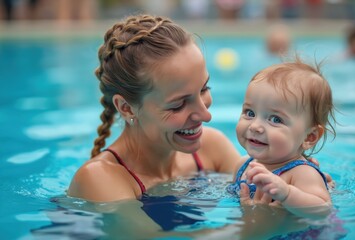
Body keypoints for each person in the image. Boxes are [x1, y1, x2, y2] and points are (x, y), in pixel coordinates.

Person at [67, 14, 242, 202]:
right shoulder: (99, 178)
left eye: (204, 89)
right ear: (126, 108)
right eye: (178, 105)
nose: (206, 115)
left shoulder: (211, 147)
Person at [228, 56, 336, 218]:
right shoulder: (242, 165)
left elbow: (323, 209)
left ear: (310, 137)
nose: (255, 126)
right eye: (250, 113)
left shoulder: (301, 173)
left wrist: (287, 194)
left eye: (275, 119)